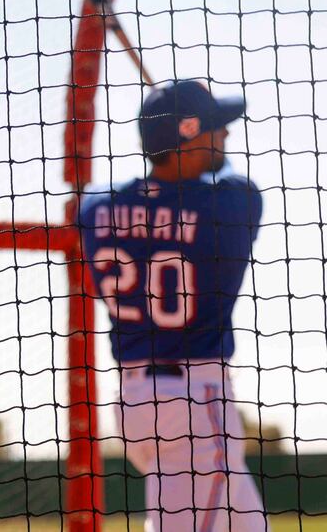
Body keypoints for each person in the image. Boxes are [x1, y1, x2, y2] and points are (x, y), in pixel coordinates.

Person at [78, 79, 265, 532]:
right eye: (216, 129)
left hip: (137, 401)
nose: (225, 136)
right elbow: (232, 179)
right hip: (193, 403)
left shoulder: (95, 208)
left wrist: (184, 142)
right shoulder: (231, 205)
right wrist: (194, 153)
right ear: (187, 134)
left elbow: (139, 196)